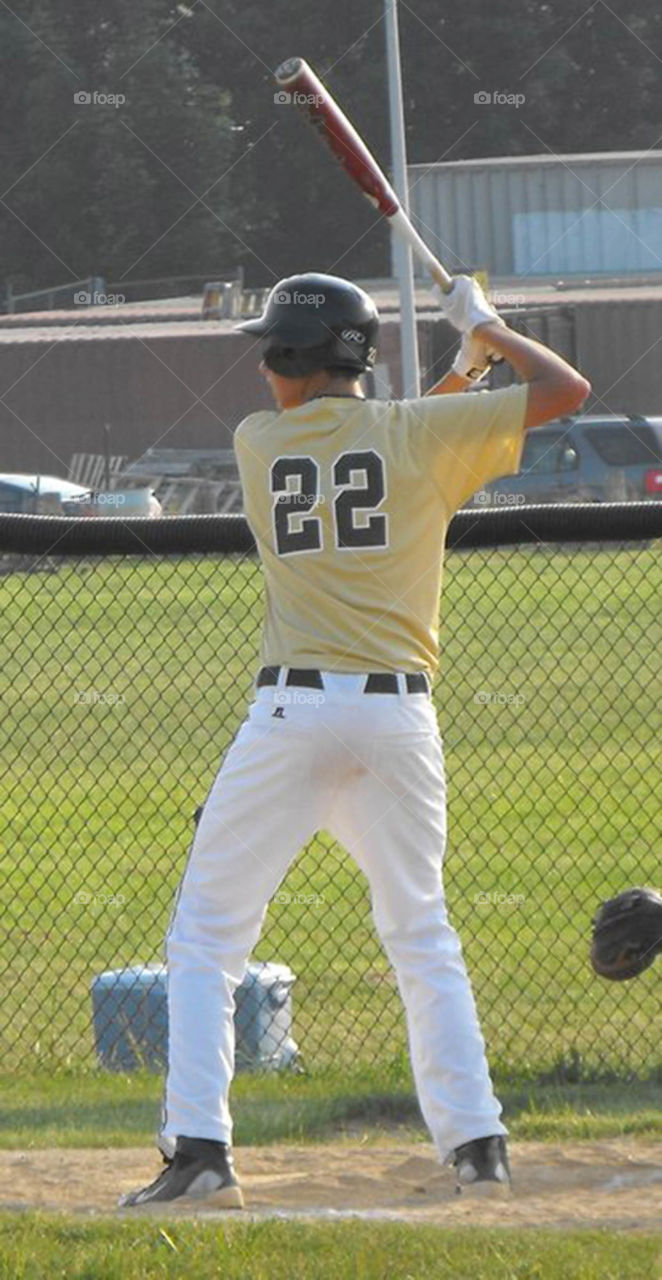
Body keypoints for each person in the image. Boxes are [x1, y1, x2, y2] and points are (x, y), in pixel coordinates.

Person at [120, 272, 590, 1208]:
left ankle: (202, 1154)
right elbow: (562, 391)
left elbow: (382, 439)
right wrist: (485, 333)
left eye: (273, 352)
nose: (264, 369)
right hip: (401, 720)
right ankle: (479, 1147)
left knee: (208, 938)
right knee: (421, 934)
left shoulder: (260, 443)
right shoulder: (417, 437)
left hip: (290, 716)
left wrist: (463, 368)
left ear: (295, 360)